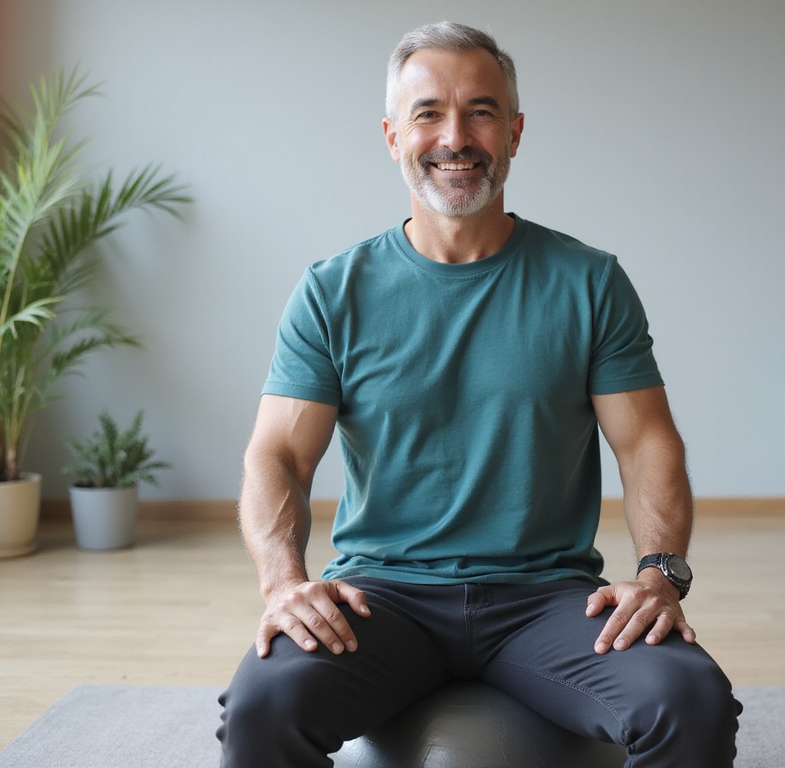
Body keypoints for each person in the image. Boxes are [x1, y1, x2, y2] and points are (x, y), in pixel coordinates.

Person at [217, 21, 740, 767]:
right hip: (381, 596)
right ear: (393, 134)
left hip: (548, 600)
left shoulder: (588, 283)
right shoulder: (334, 291)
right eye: (429, 112)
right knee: (263, 707)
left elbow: (646, 442)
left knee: (690, 701)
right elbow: (277, 455)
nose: (455, 136)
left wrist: (661, 576)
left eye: (481, 111)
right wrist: (283, 583)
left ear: (515, 133)